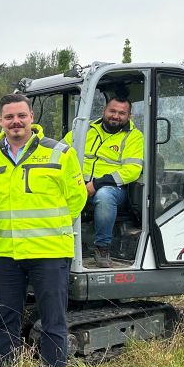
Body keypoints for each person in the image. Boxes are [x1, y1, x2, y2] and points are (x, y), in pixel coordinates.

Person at [0, 93, 87, 367]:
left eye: (21, 116)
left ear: (31, 118)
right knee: (6, 317)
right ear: (0, 121)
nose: (16, 122)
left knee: (53, 319)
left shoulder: (59, 154)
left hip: (49, 252)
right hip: (6, 254)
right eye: (9, 117)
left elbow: (76, 200)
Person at [62, 93, 144, 268]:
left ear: (129, 116)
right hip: (79, 183)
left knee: (105, 196)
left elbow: (132, 170)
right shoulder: (84, 130)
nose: (116, 116)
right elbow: (61, 151)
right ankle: (64, 244)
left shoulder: (133, 136)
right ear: (103, 110)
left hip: (114, 188)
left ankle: (102, 248)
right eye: (112, 111)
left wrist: (96, 184)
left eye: (122, 113)